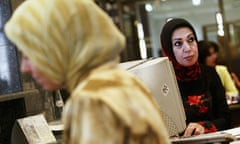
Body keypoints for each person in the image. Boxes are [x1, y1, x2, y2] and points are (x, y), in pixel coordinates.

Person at [4, 0, 170, 144]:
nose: (24, 68)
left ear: (57, 46)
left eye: (29, 54)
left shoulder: (91, 100)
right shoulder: (126, 82)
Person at [160, 18, 231, 137]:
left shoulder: (209, 73)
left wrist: (204, 127)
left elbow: (226, 118)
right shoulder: (163, 81)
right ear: (169, 50)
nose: (188, 48)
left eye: (191, 40)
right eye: (178, 43)